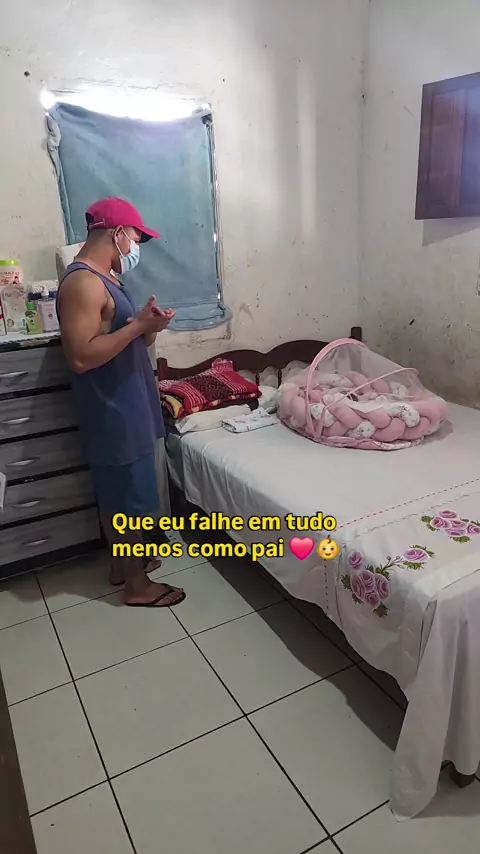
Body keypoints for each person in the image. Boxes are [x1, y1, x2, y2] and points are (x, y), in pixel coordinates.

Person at [56, 197, 185, 607]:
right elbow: (80, 356)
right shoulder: (83, 283)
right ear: (117, 234)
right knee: (129, 501)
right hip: (113, 410)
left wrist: (149, 327)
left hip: (128, 402)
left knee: (124, 495)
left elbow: (121, 339)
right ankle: (137, 587)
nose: (136, 246)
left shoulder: (107, 278)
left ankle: (122, 567)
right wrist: (136, 328)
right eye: (135, 237)